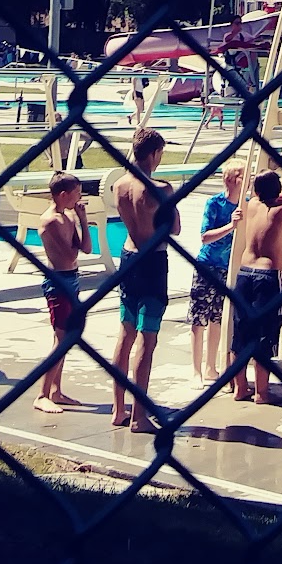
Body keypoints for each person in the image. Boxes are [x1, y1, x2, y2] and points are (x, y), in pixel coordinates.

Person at [229, 170, 282, 406]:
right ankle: (261, 393)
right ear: (277, 193)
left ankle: (240, 388)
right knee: (264, 335)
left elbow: (261, 194)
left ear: (257, 191)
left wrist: (273, 193)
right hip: (266, 277)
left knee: (241, 334)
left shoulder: (252, 204)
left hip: (244, 273)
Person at [111, 127, 173, 432]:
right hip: (152, 261)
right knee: (147, 340)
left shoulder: (119, 186)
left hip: (128, 256)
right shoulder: (161, 188)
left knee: (125, 334)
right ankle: (138, 416)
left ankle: (118, 409)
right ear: (153, 154)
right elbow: (174, 228)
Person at [35, 170, 91, 412]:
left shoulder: (68, 217)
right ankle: (42, 395)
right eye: (77, 193)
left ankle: (56, 391)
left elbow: (86, 248)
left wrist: (82, 220)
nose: (79, 198)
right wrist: (74, 241)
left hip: (72, 279)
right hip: (58, 282)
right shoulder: (50, 221)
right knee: (61, 339)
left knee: (65, 337)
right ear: (63, 194)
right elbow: (68, 256)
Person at [189, 165, 242, 382]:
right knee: (199, 317)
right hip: (207, 266)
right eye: (241, 176)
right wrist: (231, 225)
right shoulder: (215, 203)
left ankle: (211, 367)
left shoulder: (245, 205)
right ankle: (196, 370)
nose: (247, 179)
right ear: (230, 180)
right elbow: (205, 236)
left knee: (217, 318)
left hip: (227, 269)